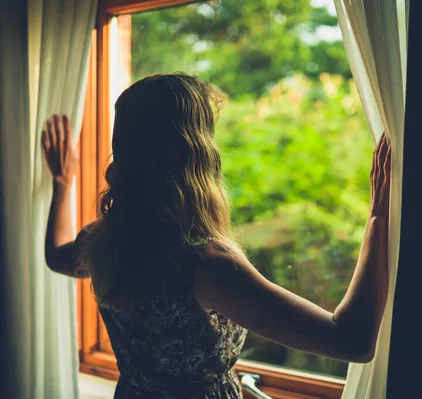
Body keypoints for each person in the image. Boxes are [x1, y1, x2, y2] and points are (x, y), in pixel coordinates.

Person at [42, 73, 391, 398]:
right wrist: (377, 217)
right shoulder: (206, 266)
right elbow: (352, 342)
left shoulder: (108, 239)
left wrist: (62, 183)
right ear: (196, 156)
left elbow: (56, 255)